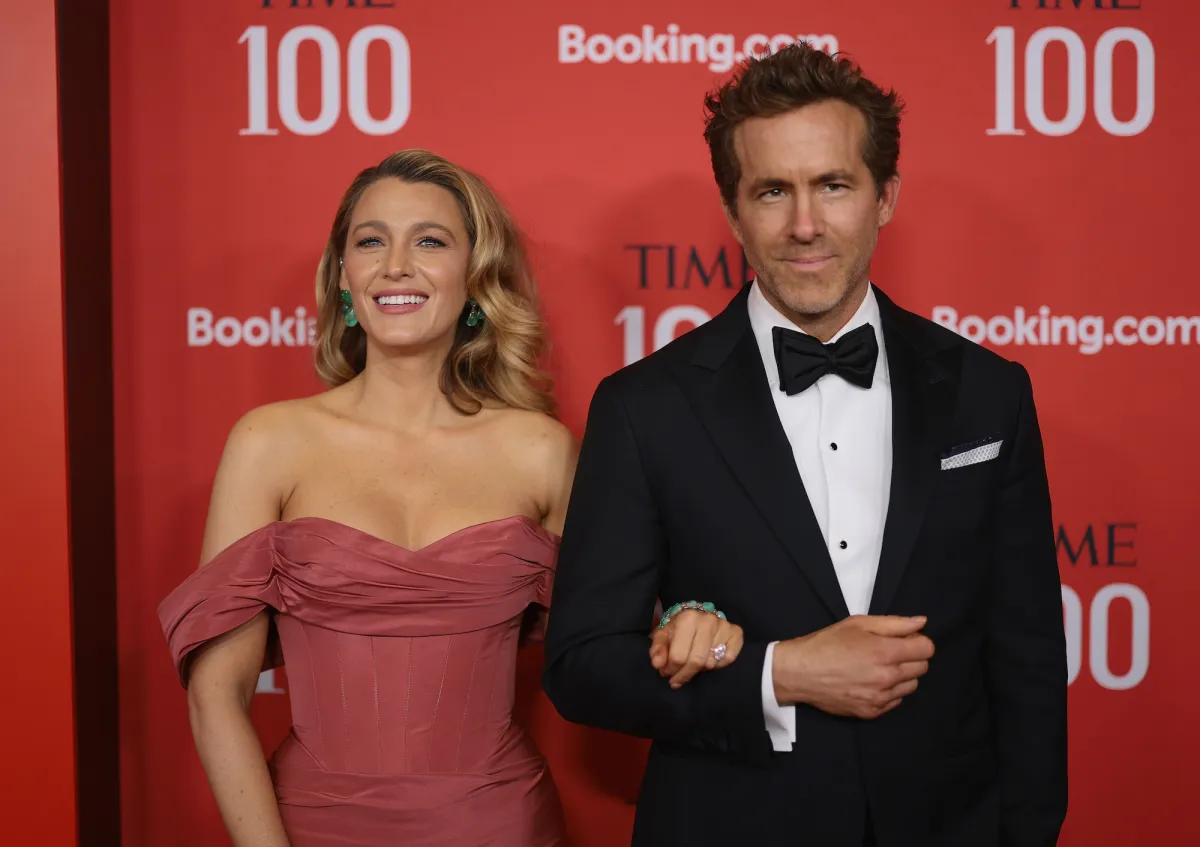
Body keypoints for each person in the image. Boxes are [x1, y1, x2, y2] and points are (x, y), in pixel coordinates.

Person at [543, 42, 1068, 847]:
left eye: (833, 185)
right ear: (733, 212)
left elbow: (1028, 658)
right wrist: (779, 672)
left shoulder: (988, 392)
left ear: (885, 196)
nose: (804, 225)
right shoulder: (644, 407)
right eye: (772, 191)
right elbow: (582, 665)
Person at [158, 149, 576, 847]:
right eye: (371, 241)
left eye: (430, 241)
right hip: (307, 826)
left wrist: (694, 622)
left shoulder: (542, 451)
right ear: (344, 277)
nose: (396, 265)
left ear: (477, 275)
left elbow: (602, 647)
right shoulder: (270, 442)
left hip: (500, 825)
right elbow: (216, 694)